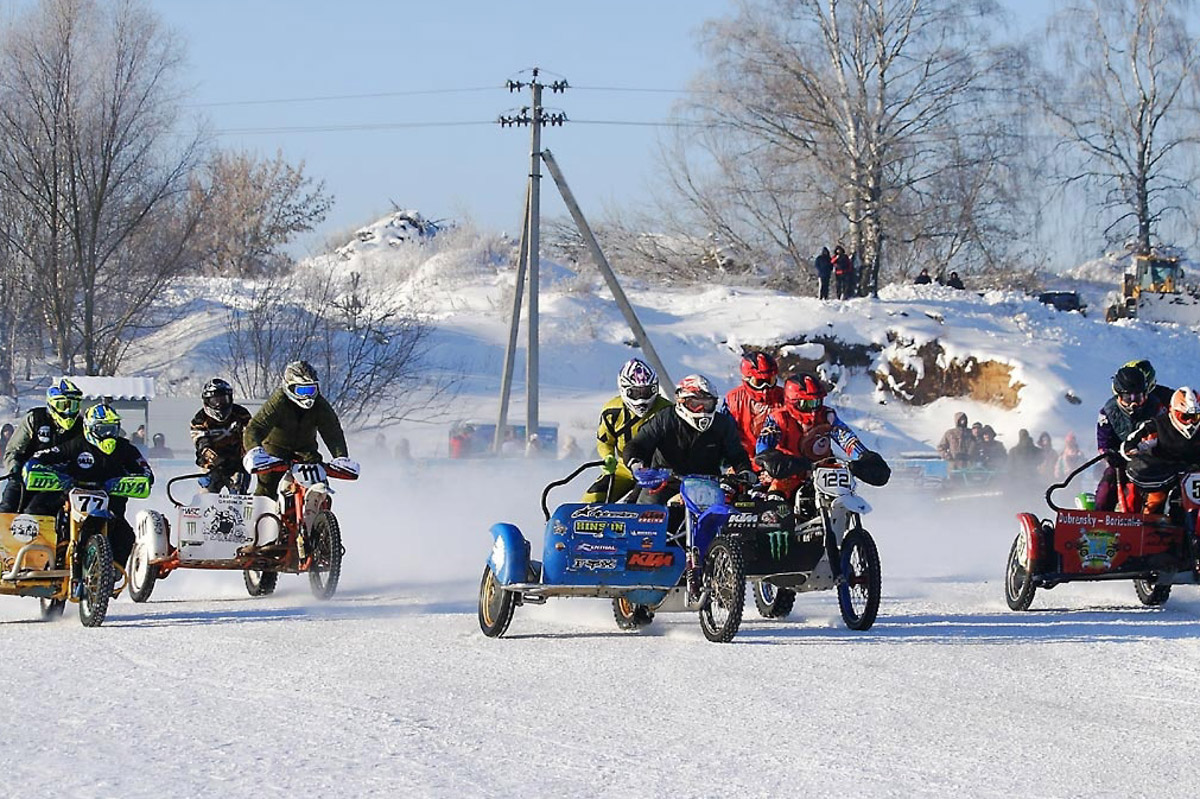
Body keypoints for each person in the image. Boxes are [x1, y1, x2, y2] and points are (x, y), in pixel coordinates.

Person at [23, 404, 152, 568]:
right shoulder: (76, 445)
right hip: (71, 497)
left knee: (126, 536)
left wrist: (122, 482)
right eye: (102, 429)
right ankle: (37, 559)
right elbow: (39, 457)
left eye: (112, 429)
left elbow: (146, 472)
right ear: (90, 428)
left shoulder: (125, 449)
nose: (108, 435)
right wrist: (54, 475)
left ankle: (113, 570)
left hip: (110, 502)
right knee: (36, 511)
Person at [753, 373, 890, 498]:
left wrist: (865, 458)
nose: (813, 411)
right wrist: (770, 458)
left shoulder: (827, 416)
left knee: (847, 496)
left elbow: (847, 438)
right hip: (788, 473)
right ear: (792, 401)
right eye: (807, 403)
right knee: (775, 497)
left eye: (816, 402)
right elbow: (763, 445)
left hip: (825, 473)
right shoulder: (778, 418)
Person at [624, 373, 751, 506]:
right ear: (681, 401)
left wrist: (744, 472)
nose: (702, 410)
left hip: (707, 486)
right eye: (695, 404)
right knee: (646, 513)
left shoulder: (722, 424)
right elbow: (637, 444)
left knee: (725, 514)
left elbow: (737, 454)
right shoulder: (664, 418)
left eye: (707, 404)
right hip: (664, 483)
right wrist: (637, 466)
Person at [242, 360, 356, 499]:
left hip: (306, 450)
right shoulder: (279, 401)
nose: (307, 396)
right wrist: (254, 450)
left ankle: (320, 507)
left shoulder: (319, 404)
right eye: (301, 390)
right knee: (266, 487)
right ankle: (262, 509)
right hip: (275, 448)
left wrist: (340, 457)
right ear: (289, 387)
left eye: (311, 390)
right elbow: (256, 426)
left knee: (320, 485)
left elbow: (332, 432)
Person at [582, 358, 672, 503]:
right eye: (635, 392)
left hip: (655, 472)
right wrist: (608, 457)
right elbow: (605, 441)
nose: (642, 399)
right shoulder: (612, 411)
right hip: (622, 468)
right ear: (624, 390)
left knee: (637, 505)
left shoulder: (667, 410)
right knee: (590, 500)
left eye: (647, 391)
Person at [0, 379, 84, 513]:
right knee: (7, 509)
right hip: (26, 477)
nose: (68, 411)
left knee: (35, 511)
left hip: (61, 482)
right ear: (52, 404)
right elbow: (13, 450)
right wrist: (14, 468)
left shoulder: (82, 427)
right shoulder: (34, 418)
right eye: (63, 405)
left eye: (73, 405)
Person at [1095, 365, 1166, 511]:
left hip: (1151, 463)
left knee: (1155, 496)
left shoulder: (1156, 408)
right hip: (1120, 462)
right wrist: (1110, 455)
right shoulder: (1108, 412)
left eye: (1138, 397)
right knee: (1105, 492)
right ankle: (1098, 518)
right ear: (1118, 395)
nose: (1134, 403)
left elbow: (1165, 435)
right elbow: (1103, 442)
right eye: (1128, 398)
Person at [1122, 386, 1200, 513]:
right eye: (1185, 417)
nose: (1191, 422)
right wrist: (1133, 452)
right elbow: (1130, 444)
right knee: (1155, 501)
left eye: (1195, 417)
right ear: (1172, 411)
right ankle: (1149, 520)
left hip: (1194, 476)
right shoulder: (1158, 426)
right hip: (1165, 477)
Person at [190, 377, 253, 494]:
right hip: (211, 465)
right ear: (207, 401)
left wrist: (245, 458)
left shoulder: (241, 414)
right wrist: (215, 460)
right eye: (215, 400)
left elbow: (250, 437)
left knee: (239, 491)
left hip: (237, 464)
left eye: (223, 399)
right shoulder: (200, 419)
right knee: (206, 493)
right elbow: (202, 443)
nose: (219, 404)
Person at [723, 351, 784, 466]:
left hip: (777, 463)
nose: (765, 388)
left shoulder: (786, 398)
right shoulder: (733, 400)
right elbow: (724, 434)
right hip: (741, 462)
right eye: (759, 382)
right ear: (746, 379)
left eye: (769, 381)